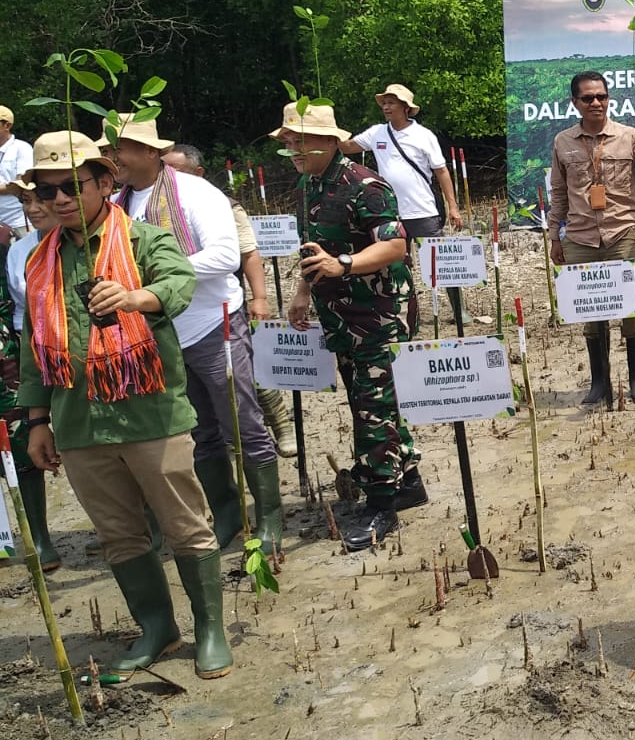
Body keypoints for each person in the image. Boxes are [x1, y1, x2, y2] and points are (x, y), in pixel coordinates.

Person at [18, 132, 232, 677]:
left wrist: (137, 297)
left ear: (105, 182)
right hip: (78, 421)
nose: (60, 199)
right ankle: (157, 628)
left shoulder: (143, 240)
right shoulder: (39, 263)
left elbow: (178, 280)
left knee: (185, 524)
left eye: (72, 186)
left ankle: (210, 630)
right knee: (117, 534)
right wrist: (37, 420)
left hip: (150, 414)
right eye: (48, 191)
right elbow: (33, 345)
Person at [99, 117, 282, 550]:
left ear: (150, 153)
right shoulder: (117, 203)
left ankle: (270, 517)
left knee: (241, 421)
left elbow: (224, 255)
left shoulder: (196, 193)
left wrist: (152, 282)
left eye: (119, 149)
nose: (113, 159)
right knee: (198, 429)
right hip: (161, 332)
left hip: (212, 323)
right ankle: (225, 512)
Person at [275, 102, 422, 550]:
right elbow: (312, 248)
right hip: (339, 314)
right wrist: (304, 291)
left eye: (300, 141)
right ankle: (407, 480)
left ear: (328, 142)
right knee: (374, 400)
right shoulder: (309, 186)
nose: (292, 150)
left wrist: (345, 264)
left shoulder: (365, 185)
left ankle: (382, 505)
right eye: (287, 143)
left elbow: (396, 245)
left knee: (372, 407)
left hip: (379, 313)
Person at [549, 71, 635, 405]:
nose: (596, 103)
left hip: (622, 233)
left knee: (631, 308)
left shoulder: (630, 136)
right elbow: (559, 191)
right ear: (575, 102)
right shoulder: (563, 142)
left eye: (601, 97)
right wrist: (554, 236)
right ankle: (599, 383)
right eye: (588, 98)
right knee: (591, 311)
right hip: (580, 238)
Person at [163, 145, 298, 459]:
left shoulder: (221, 204)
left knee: (247, 373)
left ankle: (281, 426)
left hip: (224, 305)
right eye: (165, 170)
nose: (168, 178)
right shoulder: (152, 208)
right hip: (179, 312)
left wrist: (260, 298)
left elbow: (248, 253)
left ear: (197, 174)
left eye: (176, 171)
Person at [339, 84, 464, 322]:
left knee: (441, 263)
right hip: (389, 213)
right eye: (384, 103)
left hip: (422, 210)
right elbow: (347, 147)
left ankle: (459, 312)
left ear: (405, 107)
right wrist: (329, 132)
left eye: (391, 102)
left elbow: (442, 172)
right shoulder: (376, 133)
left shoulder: (424, 136)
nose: (386, 107)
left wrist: (453, 206)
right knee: (394, 265)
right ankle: (402, 311)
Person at [1, 180, 60, 569]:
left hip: (33, 346)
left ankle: (39, 537)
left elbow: (10, 306)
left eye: (39, 199)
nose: (33, 208)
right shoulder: (18, 250)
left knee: (22, 434)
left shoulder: (4, 248)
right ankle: (22, 537)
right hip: (27, 343)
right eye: (25, 201)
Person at [0, 107, 32, 246]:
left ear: (7, 125)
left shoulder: (21, 148)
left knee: (25, 263)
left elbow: (21, 183)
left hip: (18, 221)